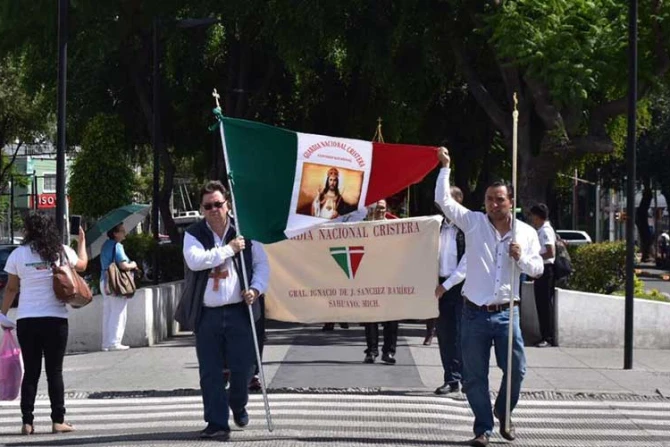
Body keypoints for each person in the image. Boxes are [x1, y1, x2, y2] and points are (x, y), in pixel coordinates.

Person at [435, 147, 543, 447]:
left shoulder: (525, 233)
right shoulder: (473, 223)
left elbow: (537, 269)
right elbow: (444, 201)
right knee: (473, 376)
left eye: (499, 199)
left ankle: (504, 412)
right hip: (474, 312)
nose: (494, 205)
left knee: (516, 369)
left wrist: (520, 258)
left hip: (508, 312)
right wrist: (445, 167)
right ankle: (483, 427)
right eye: (489, 199)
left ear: (511, 202)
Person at [175, 180, 270, 440]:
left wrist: (256, 289)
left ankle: (237, 403)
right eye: (208, 206)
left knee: (245, 368)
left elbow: (262, 265)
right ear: (201, 209)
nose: (214, 210)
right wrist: (229, 249)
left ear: (227, 204)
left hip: (241, 310)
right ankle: (217, 422)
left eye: (218, 204)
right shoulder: (194, 234)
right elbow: (195, 261)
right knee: (210, 371)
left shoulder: (245, 231)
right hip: (208, 313)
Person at [0, 212, 88, 435]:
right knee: (54, 372)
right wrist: (82, 243)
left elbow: (12, 288)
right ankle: (58, 421)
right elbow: (83, 265)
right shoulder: (61, 251)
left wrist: (2, 314)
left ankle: (27, 422)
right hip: (55, 319)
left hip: (27, 320)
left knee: (31, 372)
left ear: (28, 229)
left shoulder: (18, 254)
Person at [434, 189, 467, 395]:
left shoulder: (467, 228)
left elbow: (467, 264)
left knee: (464, 335)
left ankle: (467, 377)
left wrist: (446, 286)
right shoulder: (435, 227)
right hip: (439, 286)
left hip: (461, 287)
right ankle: (451, 378)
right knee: (445, 335)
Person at [363, 200, 399, 365]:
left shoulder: (395, 226)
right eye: (377, 208)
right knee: (371, 317)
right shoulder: (362, 228)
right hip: (370, 277)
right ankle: (371, 351)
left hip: (390, 278)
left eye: (383, 208)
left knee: (392, 317)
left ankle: (389, 352)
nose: (380, 211)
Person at [100, 224, 138, 351]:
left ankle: (106, 343)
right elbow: (123, 265)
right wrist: (133, 264)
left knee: (108, 312)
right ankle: (114, 342)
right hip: (115, 283)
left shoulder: (105, 245)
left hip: (104, 281)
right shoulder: (117, 246)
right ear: (115, 233)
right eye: (122, 231)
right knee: (118, 312)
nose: (124, 233)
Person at [529, 204, 556, 347]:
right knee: (540, 304)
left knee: (545, 305)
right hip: (541, 270)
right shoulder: (540, 230)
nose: (532, 219)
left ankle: (548, 337)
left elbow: (550, 252)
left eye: (533, 216)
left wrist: (535, 257)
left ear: (538, 216)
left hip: (546, 269)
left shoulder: (545, 231)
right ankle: (543, 334)